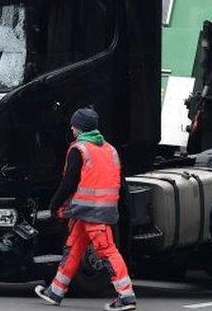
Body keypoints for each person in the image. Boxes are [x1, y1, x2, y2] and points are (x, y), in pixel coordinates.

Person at [35, 107, 136, 311]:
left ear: (79, 128)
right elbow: (120, 182)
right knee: (74, 248)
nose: (71, 127)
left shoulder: (79, 149)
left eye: (74, 124)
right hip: (98, 210)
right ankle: (56, 291)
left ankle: (126, 297)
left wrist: (55, 204)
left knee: (106, 250)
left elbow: (69, 182)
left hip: (90, 211)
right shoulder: (110, 149)